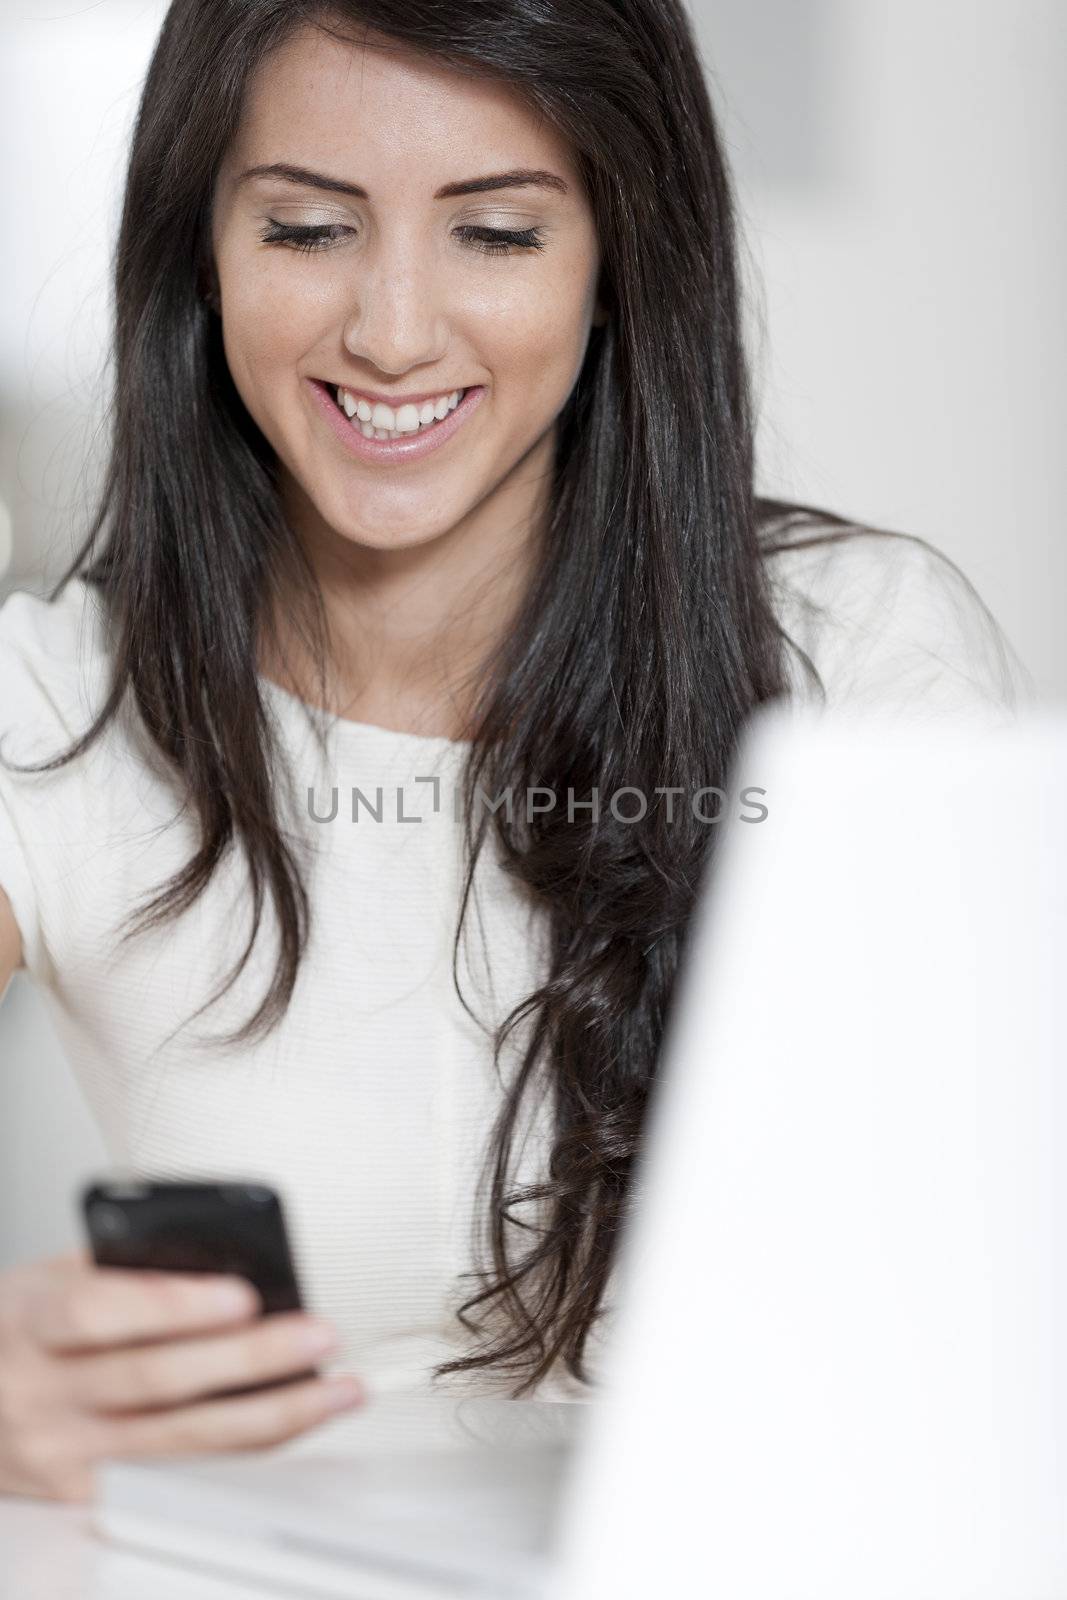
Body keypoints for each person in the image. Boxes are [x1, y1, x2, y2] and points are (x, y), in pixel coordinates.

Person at [0, 0, 1028, 1503]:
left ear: (616, 259)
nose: (395, 329)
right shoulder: (53, 702)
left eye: (496, 234)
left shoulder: (860, 655)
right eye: (305, 230)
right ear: (199, 255)